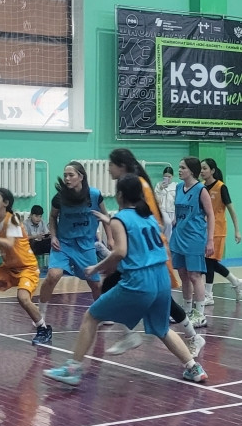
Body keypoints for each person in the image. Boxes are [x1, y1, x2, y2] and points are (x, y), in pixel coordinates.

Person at [42, 175, 208, 386]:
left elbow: (120, 251)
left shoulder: (120, 219)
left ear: (119, 195)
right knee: (162, 329)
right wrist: (108, 222)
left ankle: (73, 369)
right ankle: (193, 368)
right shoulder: (148, 217)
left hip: (140, 281)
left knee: (91, 317)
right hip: (161, 279)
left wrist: (97, 267)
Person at [105, 149, 204, 358]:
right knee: (117, 286)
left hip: (150, 251)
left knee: (160, 300)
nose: (108, 168)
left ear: (121, 165)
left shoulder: (138, 185)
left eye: (111, 164)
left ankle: (191, 338)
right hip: (143, 250)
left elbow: (156, 221)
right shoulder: (132, 184)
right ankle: (190, 337)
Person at [0, 187, 52, 345]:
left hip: (27, 267)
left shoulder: (13, 220)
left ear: (5, 203)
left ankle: (43, 329)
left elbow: (9, 244)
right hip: (8, 267)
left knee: (23, 298)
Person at [37, 162, 113, 322]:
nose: (67, 178)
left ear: (81, 177)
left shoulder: (94, 195)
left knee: (95, 284)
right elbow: (52, 217)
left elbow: (105, 216)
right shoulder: (59, 198)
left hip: (85, 245)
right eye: (65, 175)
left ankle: (102, 313)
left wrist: (111, 238)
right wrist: (54, 236)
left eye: (71, 175)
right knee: (53, 275)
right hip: (64, 243)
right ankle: (40, 313)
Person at [170, 156, 215, 329]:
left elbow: (211, 215)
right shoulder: (179, 187)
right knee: (183, 274)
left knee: (195, 276)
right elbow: (178, 209)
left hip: (194, 238)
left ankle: (200, 314)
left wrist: (210, 240)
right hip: (179, 236)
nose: (179, 170)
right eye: (179, 167)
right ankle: (187, 311)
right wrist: (175, 220)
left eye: (183, 167)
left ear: (192, 171)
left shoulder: (200, 190)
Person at [201, 158, 242, 305]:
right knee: (210, 263)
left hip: (218, 230)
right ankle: (236, 282)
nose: (202, 171)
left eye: (205, 168)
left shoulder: (221, 187)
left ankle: (209, 295)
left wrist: (237, 230)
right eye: (201, 168)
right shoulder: (201, 187)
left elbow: (232, 210)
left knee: (209, 262)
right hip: (204, 230)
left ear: (212, 170)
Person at [154, 166, 177, 240]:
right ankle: (167, 241)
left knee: (170, 227)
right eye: (165, 176)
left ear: (172, 176)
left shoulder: (176, 185)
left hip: (172, 210)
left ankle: (165, 240)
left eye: (169, 176)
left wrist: (176, 215)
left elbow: (177, 200)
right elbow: (156, 199)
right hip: (162, 209)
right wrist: (160, 189)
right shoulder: (159, 185)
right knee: (168, 222)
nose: (167, 178)